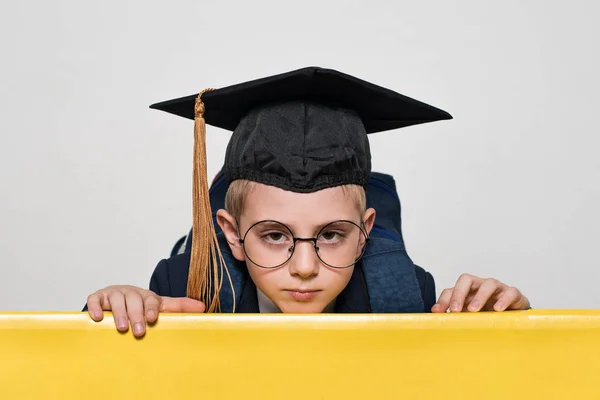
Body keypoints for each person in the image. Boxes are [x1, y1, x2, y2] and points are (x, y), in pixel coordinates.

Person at [85, 67, 530, 337]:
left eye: (332, 234)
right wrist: (108, 316)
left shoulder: (405, 294)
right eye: (274, 235)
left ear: (365, 234)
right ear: (232, 234)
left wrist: (510, 327)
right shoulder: (184, 285)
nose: (303, 266)